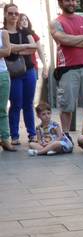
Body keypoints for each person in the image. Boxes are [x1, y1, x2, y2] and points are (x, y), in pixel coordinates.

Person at [49, 0, 83, 134]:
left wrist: (71, 41)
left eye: (73, 0)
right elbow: (63, 40)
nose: (71, 3)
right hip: (67, 68)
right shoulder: (56, 22)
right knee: (66, 106)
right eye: (67, 0)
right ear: (60, 3)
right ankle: (65, 136)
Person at [5, 4, 38, 145]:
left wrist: (14, 50)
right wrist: (24, 47)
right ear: (5, 14)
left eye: (16, 13)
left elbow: (34, 47)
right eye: (11, 13)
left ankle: (32, 134)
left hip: (29, 70)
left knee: (28, 104)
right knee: (16, 104)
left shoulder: (24, 31)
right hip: (13, 72)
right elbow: (5, 50)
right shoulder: (2, 32)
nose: (14, 16)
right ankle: (14, 136)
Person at [19, 14, 48, 106]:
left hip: (32, 67)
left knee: (30, 97)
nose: (24, 21)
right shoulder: (16, 34)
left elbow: (40, 51)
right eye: (22, 20)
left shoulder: (33, 34)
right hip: (17, 68)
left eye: (26, 19)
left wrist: (45, 66)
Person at [0, 28, 15, 152]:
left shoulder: (2, 33)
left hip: (2, 74)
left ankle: (5, 139)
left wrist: (3, 51)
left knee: (2, 109)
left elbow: (7, 51)